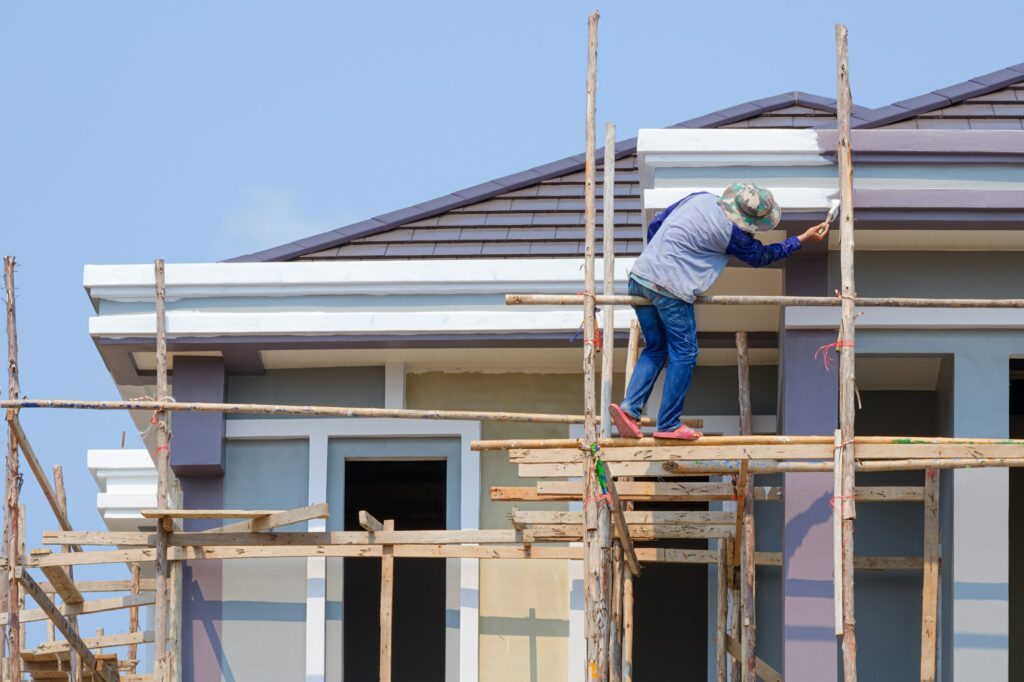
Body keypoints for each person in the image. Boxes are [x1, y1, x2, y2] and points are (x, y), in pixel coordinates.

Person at [608, 182, 830, 440]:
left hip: (640, 277)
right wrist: (800, 239)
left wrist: (661, 259)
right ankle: (668, 424)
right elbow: (761, 257)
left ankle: (630, 409)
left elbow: (656, 225)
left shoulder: (699, 198)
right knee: (685, 353)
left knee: (656, 347)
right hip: (670, 287)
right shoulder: (735, 233)